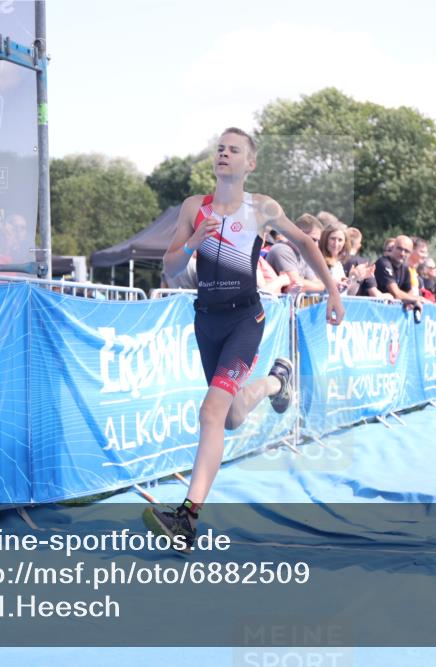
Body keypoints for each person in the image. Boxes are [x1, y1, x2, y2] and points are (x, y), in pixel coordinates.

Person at [143, 128, 345, 551]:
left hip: (244, 321)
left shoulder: (262, 208)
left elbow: (308, 243)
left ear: (249, 163)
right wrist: (193, 243)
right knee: (229, 416)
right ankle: (276, 381)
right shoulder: (193, 208)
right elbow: (171, 268)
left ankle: (187, 518)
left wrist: (332, 291)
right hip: (206, 321)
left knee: (210, 413)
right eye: (220, 148)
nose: (224, 154)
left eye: (234, 150)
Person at [266, 213, 325, 293]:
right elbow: (296, 283)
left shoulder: (304, 254)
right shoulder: (282, 249)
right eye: (313, 240)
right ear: (299, 233)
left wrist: (315, 284)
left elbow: (320, 284)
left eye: (318, 241)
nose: (316, 245)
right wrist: (315, 285)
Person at [374, 235, 423, 307]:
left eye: (406, 251)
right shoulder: (383, 263)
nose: (402, 253)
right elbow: (396, 293)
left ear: (410, 253)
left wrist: (412, 301)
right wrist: (417, 299)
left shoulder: (405, 268)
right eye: (399, 249)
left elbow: (408, 292)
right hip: (372, 310)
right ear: (393, 248)